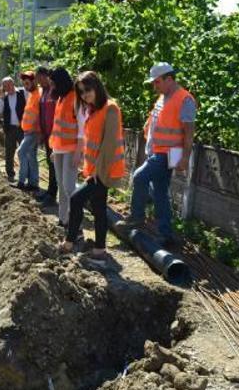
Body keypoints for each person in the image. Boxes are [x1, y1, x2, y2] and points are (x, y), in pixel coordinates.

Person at [117, 62, 197, 246]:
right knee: (161, 192)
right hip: (158, 151)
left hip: (170, 153)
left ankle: (137, 217)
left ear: (169, 79)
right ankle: (165, 234)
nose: (155, 86)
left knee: (139, 177)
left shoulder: (185, 99)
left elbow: (189, 132)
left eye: (157, 82)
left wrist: (185, 157)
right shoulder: (163, 97)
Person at [60, 71, 126, 265]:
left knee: (76, 198)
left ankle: (70, 242)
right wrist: (88, 168)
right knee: (98, 209)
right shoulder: (94, 110)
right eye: (81, 92)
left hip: (104, 171)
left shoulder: (110, 109)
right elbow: (93, 144)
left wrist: (97, 171)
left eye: (87, 90)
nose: (85, 95)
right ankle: (99, 250)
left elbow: (109, 144)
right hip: (95, 170)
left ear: (97, 86)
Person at [49, 67, 78, 227]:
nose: (51, 86)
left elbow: (82, 127)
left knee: (69, 187)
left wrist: (79, 152)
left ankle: (74, 222)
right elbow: (57, 126)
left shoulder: (75, 98)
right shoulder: (61, 98)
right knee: (62, 185)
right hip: (59, 148)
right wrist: (54, 148)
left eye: (53, 83)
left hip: (71, 148)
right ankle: (63, 219)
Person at [0, 76, 26, 182]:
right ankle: (10, 174)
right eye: (5, 86)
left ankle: (25, 175)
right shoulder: (4, 98)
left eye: (9, 84)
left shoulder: (22, 93)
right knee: (9, 153)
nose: (8, 87)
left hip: (22, 128)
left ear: (13, 84)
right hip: (10, 128)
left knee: (24, 153)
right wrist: (1, 98)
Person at [35, 66, 58, 205]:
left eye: (40, 78)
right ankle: (50, 191)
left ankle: (53, 194)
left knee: (54, 165)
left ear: (46, 76)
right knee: (50, 164)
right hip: (46, 134)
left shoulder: (54, 92)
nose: (38, 81)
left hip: (55, 135)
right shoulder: (44, 92)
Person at [17, 70, 40, 191]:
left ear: (34, 81)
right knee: (31, 157)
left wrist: (39, 132)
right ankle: (33, 183)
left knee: (21, 152)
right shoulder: (32, 95)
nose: (25, 86)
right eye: (24, 84)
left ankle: (21, 181)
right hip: (28, 131)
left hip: (34, 132)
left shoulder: (38, 95)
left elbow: (40, 115)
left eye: (27, 83)